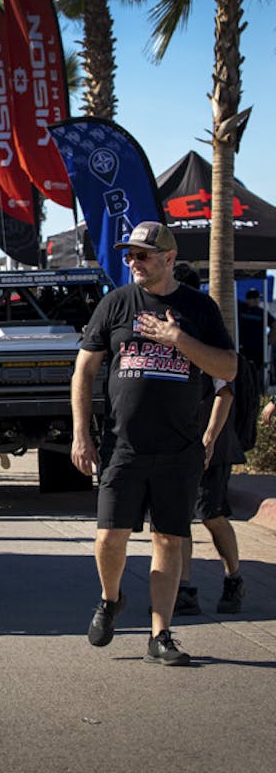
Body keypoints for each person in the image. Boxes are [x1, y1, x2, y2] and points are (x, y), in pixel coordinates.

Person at [71, 221, 236, 666]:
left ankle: (161, 634)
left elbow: (228, 368)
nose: (133, 262)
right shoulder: (116, 304)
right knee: (110, 537)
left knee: (168, 539)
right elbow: (84, 372)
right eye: (130, 255)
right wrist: (81, 433)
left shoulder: (199, 308)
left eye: (143, 255)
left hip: (179, 449)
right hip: (123, 445)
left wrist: (176, 339)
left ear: (168, 257)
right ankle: (110, 599)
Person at [172, 263, 246, 616]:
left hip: (211, 446)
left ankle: (233, 577)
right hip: (177, 444)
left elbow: (225, 391)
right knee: (178, 517)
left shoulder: (206, 331)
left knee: (211, 516)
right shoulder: (164, 331)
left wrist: (209, 438)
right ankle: (185, 588)